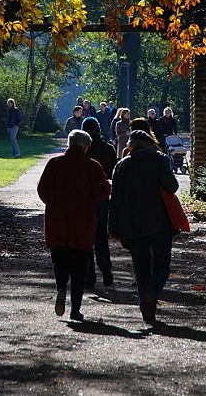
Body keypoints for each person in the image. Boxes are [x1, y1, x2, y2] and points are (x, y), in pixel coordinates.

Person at [37, 129, 111, 321]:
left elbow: (42, 189)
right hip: (82, 221)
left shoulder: (54, 163)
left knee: (59, 259)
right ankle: (75, 309)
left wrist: (53, 203)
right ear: (86, 146)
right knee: (79, 267)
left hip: (57, 220)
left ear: (69, 144)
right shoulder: (92, 166)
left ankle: (61, 287)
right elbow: (103, 191)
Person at [109, 129, 178, 325]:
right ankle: (152, 294)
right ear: (149, 143)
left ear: (130, 146)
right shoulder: (160, 159)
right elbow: (172, 186)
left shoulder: (122, 165)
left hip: (132, 224)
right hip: (159, 222)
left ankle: (146, 310)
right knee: (162, 267)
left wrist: (113, 228)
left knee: (141, 269)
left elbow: (116, 200)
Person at [82, 117, 117, 289]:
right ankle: (106, 270)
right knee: (101, 236)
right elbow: (113, 173)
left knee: (86, 237)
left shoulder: (83, 150)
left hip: (84, 199)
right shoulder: (108, 148)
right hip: (102, 198)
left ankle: (89, 276)